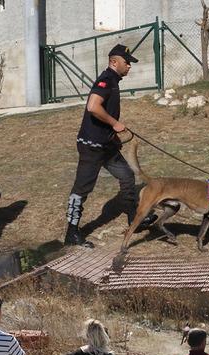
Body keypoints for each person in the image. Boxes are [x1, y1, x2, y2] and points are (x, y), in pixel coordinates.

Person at [64, 44, 156, 247]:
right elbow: (93, 106)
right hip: (91, 146)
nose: (129, 66)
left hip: (106, 144)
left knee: (126, 175)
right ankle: (71, 233)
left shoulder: (114, 81)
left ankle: (134, 218)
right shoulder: (106, 79)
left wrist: (113, 134)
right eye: (127, 62)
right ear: (114, 62)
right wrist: (115, 123)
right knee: (82, 188)